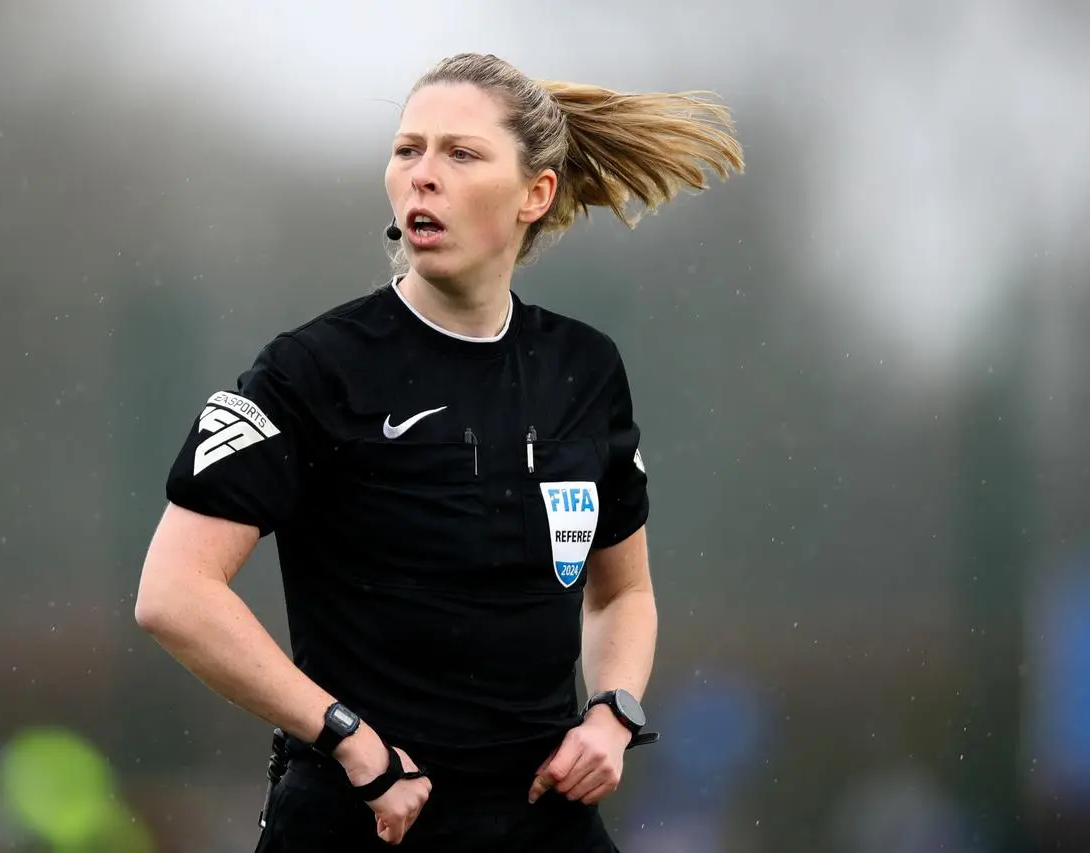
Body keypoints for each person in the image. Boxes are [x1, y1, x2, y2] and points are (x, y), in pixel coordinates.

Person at [135, 52, 743, 852]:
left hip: (542, 817)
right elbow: (173, 592)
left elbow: (619, 594)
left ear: (537, 194)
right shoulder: (314, 369)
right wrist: (352, 742)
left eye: (460, 153)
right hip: (369, 815)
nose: (423, 175)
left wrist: (613, 711)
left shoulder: (583, 370)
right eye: (407, 149)